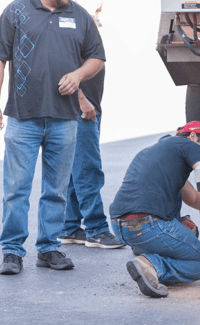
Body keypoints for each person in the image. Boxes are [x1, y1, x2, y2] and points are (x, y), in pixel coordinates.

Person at [0, 0, 105, 275]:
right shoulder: (15, 11)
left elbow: (97, 57)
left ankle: (48, 248)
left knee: (55, 190)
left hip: (64, 119)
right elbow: (1, 58)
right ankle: (11, 251)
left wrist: (78, 74)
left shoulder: (80, 15)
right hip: (23, 117)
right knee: (15, 190)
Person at [110, 121, 200, 298]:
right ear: (193, 136)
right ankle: (151, 263)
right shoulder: (186, 144)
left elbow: (194, 198)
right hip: (149, 226)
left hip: (122, 228)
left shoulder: (160, 154)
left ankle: (148, 259)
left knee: (187, 227)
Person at [57, 67, 124, 249]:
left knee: (74, 170)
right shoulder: (72, 37)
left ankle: (69, 227)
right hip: (80, 109)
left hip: (82, 108)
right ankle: (97, 230)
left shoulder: (84, 37)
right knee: (88, 170)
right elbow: (61, 67)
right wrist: (82, 101)